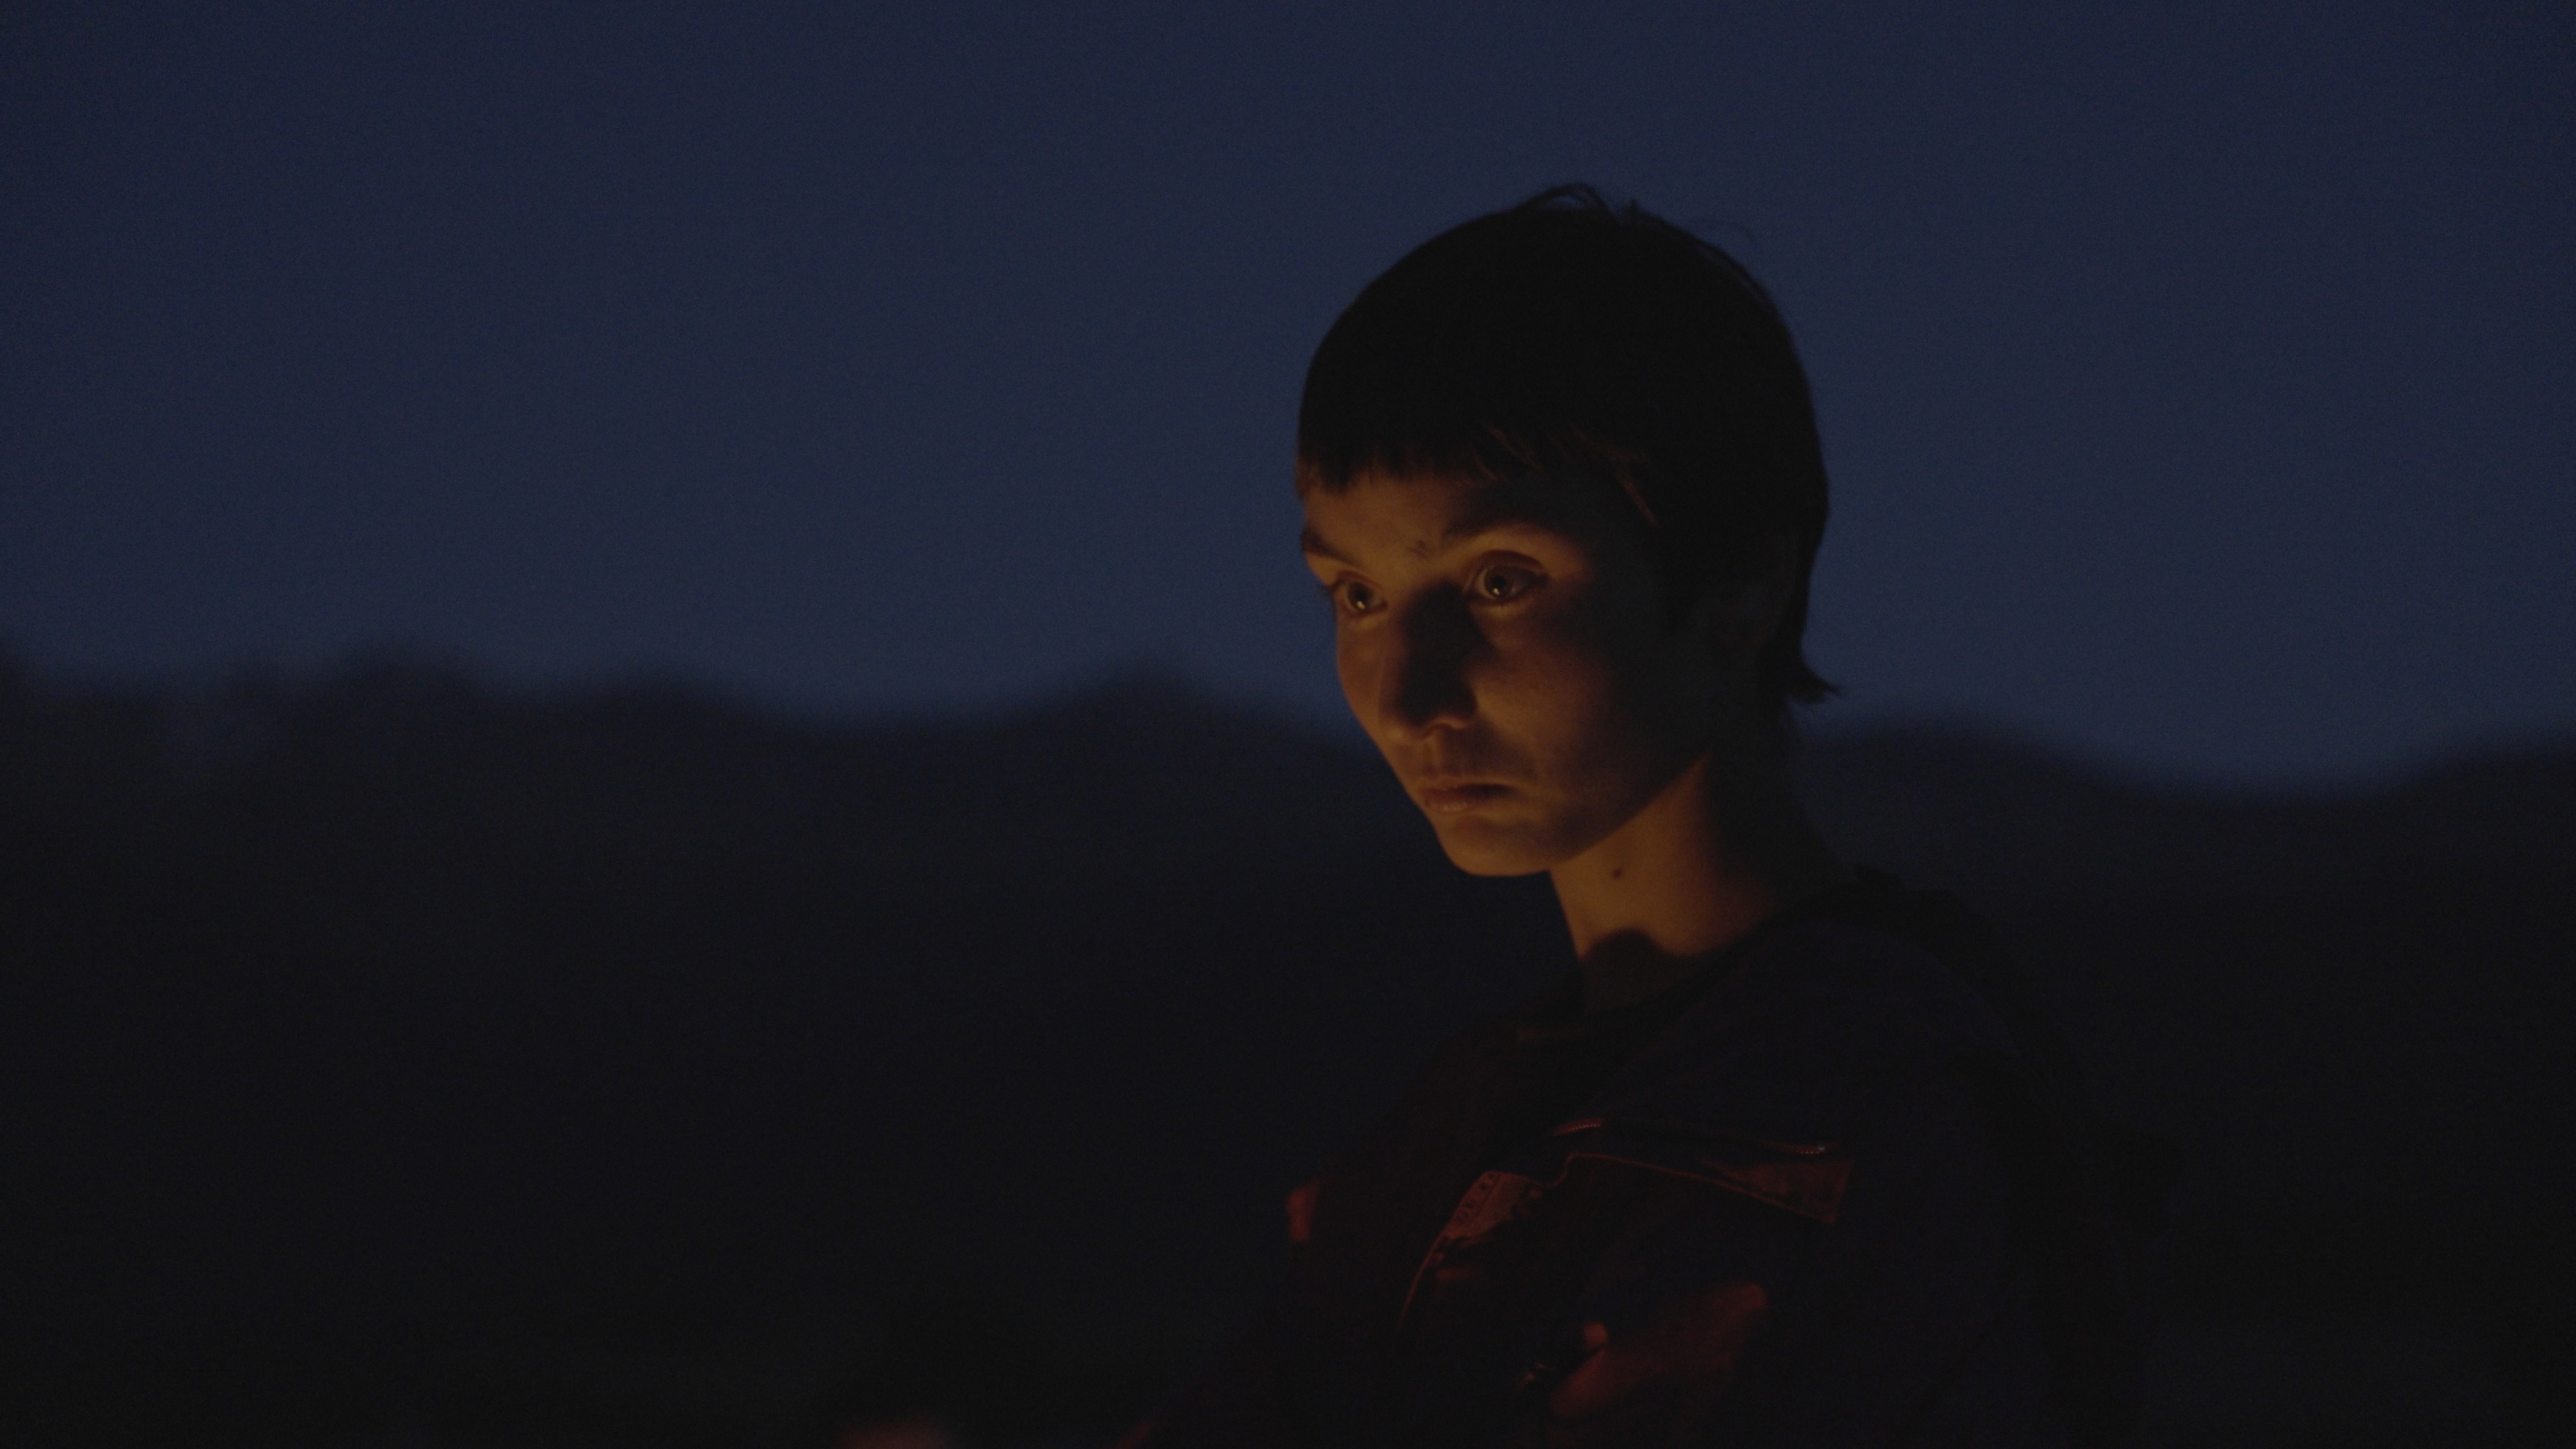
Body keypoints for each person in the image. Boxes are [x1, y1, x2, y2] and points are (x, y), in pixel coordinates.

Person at [1124, 186, 2167, 1448]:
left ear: (1744, 581)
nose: (1405, 696)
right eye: (1356, 596)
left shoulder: (1846, 1111)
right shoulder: (1460, 1128)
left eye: (1499, 582)